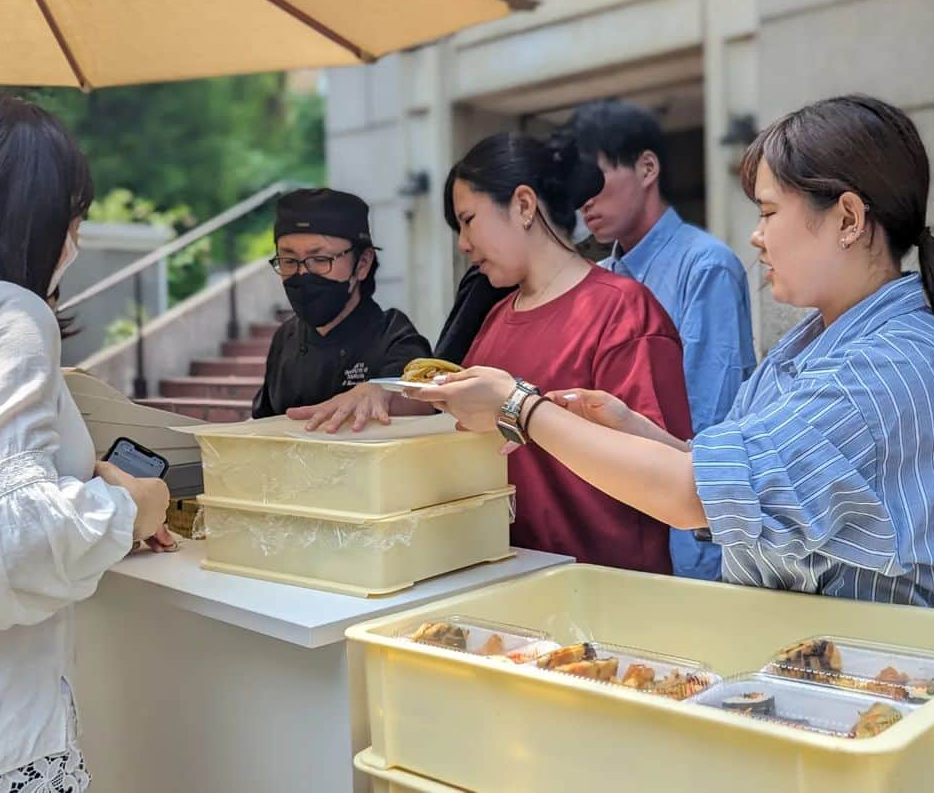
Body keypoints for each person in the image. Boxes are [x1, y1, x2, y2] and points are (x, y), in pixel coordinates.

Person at [412, 95, 934, 610]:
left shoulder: (891, 359)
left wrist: (519, 407)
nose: (756, 235)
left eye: (767, 212)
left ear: (850, 219)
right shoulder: (814, 342)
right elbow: (738, 483)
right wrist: (637, 430)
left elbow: (692, 494)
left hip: (878, 668)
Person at [296, 133, 694, 575]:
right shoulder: (496, 316)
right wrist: (385, 393)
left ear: (524, 206)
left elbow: (668, 477)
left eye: (468, 220)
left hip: (606, 585)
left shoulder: (623, 311)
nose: (463, 243)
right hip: (503, 576)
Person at [0, 93, 172, 792]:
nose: (74, 238)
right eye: (73, 212)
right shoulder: (7, 310)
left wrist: (76, 485)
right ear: (27, 209)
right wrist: (131, 504)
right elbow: (4, 547)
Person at [566, 99, 757, 581]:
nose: (583, 199)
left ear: (647, 167)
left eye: (595, 178)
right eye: (575, 186)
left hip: (689, 535)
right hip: (622, 527)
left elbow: (705, 419)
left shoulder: (705, 266)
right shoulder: (600, 276)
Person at [251, 188, 432, 420]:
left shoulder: (392, 334)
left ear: (363, 263)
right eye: (288, 260)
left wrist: (379, 392)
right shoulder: (285, 337)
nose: (302, 273)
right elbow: (263, 422)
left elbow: (423, 401)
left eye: (320, 259)